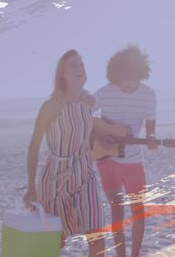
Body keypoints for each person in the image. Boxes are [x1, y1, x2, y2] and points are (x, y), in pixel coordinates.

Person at [23, 50, 116, 257]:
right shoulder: (51, 106)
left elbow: (87, 135)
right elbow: (33, 147)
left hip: (85, 175)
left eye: (81, 65)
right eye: (73, 65)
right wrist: (31, 188)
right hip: (56, 178)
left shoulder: (88, 103)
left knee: (97, 236)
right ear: (62, 74)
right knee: (54, 241)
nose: (79, 69)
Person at [92, 45, 157, 257]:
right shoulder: (105, 92)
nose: (129, 83)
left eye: (134, 77)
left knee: (138, 212)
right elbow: (80, 115)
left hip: (134, 162)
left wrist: (151, 139)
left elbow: (151, 129)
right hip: (107, 162)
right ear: (115, 75)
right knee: (117, 210)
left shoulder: (148, 95)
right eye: (124, 78)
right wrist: (100, 135)